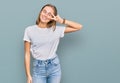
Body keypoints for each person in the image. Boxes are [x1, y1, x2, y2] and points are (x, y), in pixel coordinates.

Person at [23, 4, 82, 83]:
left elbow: (79, 27)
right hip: (38, 69)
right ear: (40, 12)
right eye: (44, 11)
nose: (46, 15)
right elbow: (27, 53)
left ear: (52, 18)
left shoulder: (56, 30)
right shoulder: (29, 30)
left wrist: (61, 21)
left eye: (49, 14)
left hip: (54, 67)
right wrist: (28, 75)